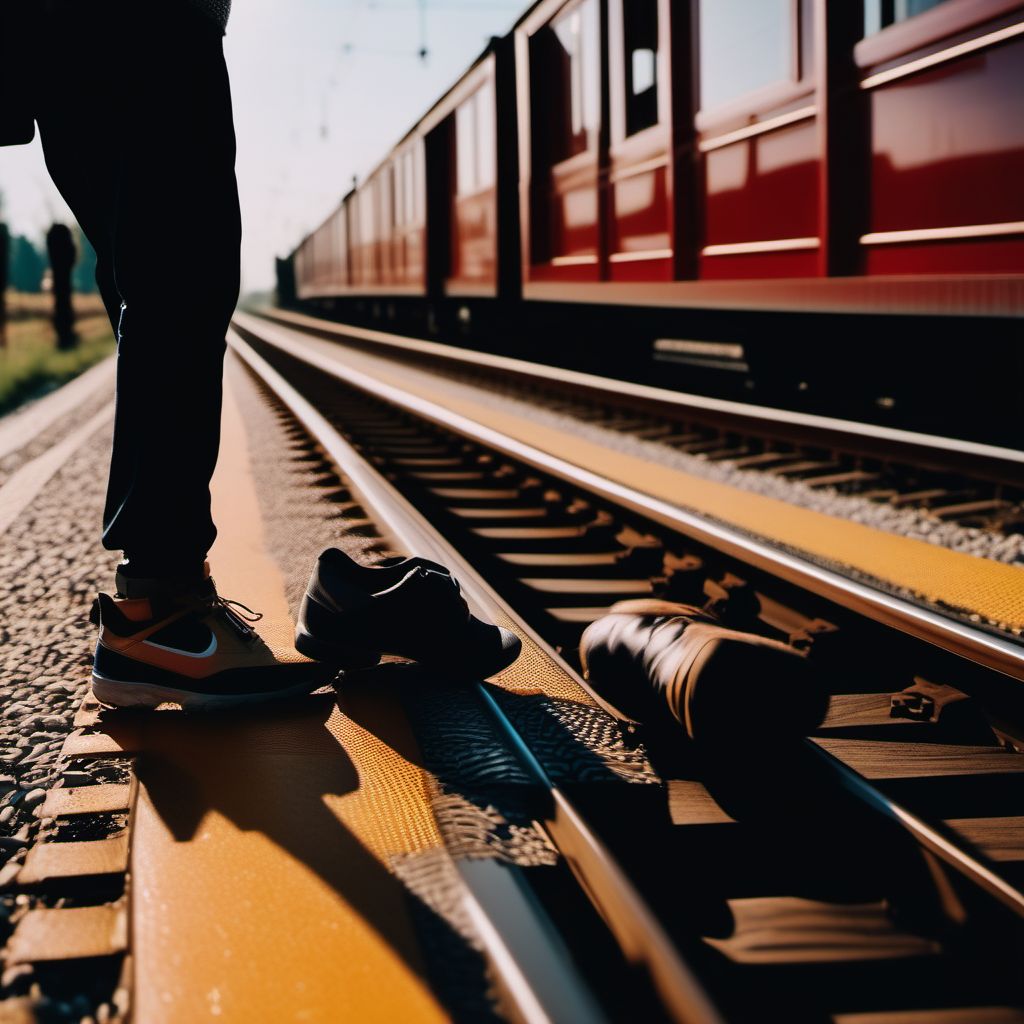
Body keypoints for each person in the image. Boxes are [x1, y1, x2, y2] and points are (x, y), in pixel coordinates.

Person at [11, 0, 327, 707]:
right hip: (139, 24)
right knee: (183, 269)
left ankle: (155, 610)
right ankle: (162, 609)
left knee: (148, 275)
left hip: (64, 37)